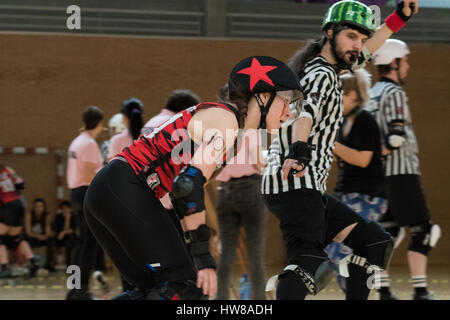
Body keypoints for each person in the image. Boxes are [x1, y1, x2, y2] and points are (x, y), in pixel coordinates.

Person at [84, 55, 303, 300]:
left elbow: (181, 196)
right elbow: (188, 186)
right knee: (185, 286)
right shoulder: (227, 120)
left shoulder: (229, 125)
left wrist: (194, 245)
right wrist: (202, 256)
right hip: (125, 187)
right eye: (286, 101)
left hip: (115, 189)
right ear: (263, 96)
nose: (289, 112)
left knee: (170, 289)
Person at [262, 0, 419, 300]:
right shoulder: (319, 73)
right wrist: (298, 149)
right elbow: (304, 114)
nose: (358, 45)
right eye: (351, 37)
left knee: (375, 243)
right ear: (330, 33)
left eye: (360, 39)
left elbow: (371, 47)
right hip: (294, 180)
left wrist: (399, 18)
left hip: (306, 186)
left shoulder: (334, 69)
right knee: (309, 263)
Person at [367, 38, 441, 300]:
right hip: (402, 173)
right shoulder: (395, 93)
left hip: (379, 175)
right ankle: (420, 291)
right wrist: (383, 150)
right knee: (425, 230)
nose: (408, 66)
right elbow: (395, 138)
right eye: (405, 61)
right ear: (394, 63)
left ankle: (383, 290)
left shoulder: (372, 93)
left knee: (388, 231)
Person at [325, 69, 388, 300]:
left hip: (369, 196)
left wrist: (330, 143)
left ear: (352, 95)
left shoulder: (365, 120)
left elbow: (363, 159)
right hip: (347, 194)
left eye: (338, 95)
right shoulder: (343, 121)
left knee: (343, 252)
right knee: (335, 253)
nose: (334, 101)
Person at [214, 84, 268, 300]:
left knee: (226, 253)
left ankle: (221, 300)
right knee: (255, 253)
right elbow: (258, 163)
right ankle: (261, 302)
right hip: (250, 190)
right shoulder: (253, 126)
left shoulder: (217, 128)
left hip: (225, 191)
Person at [66, 105, 104, 300]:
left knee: (81, 244)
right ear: (99, 124)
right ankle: (82, 291)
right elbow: (91, 175)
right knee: (89, 244)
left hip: (75, 193)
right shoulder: (89, 144)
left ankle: (74, 289)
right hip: (85, 193)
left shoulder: (76, 142)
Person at [0, 164, 39, 278]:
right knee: (16, 240)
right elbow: (21, 184)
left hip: (7, 206)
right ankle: (33, 263)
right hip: (19, 205)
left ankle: (4, 268)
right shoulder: (7, 169)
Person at [24, 198, 56, 272]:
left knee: (50, 240)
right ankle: (32, 264)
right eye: (37, 206)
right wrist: (38, 236)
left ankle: (49, 263)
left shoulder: (47, 215)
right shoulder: (29, 215)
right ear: (34, 207)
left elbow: (47, 232)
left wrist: (45, 236)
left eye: (41, 206)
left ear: (43, 208)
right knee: (26, 242)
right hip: (32, 237)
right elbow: (28, 232)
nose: (39, 208)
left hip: (42, 237)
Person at [52, 201, 78, 267]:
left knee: (70, 239)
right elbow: (56, 229)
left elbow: (73, 230)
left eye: (67, 208)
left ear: (70, 209)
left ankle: (70, 263)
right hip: (59, 238)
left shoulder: (74, 216)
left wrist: (67, 218)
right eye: (63, 208)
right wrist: (63, 232)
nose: (65, 210)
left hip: (70, 238)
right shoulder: (58, 216)